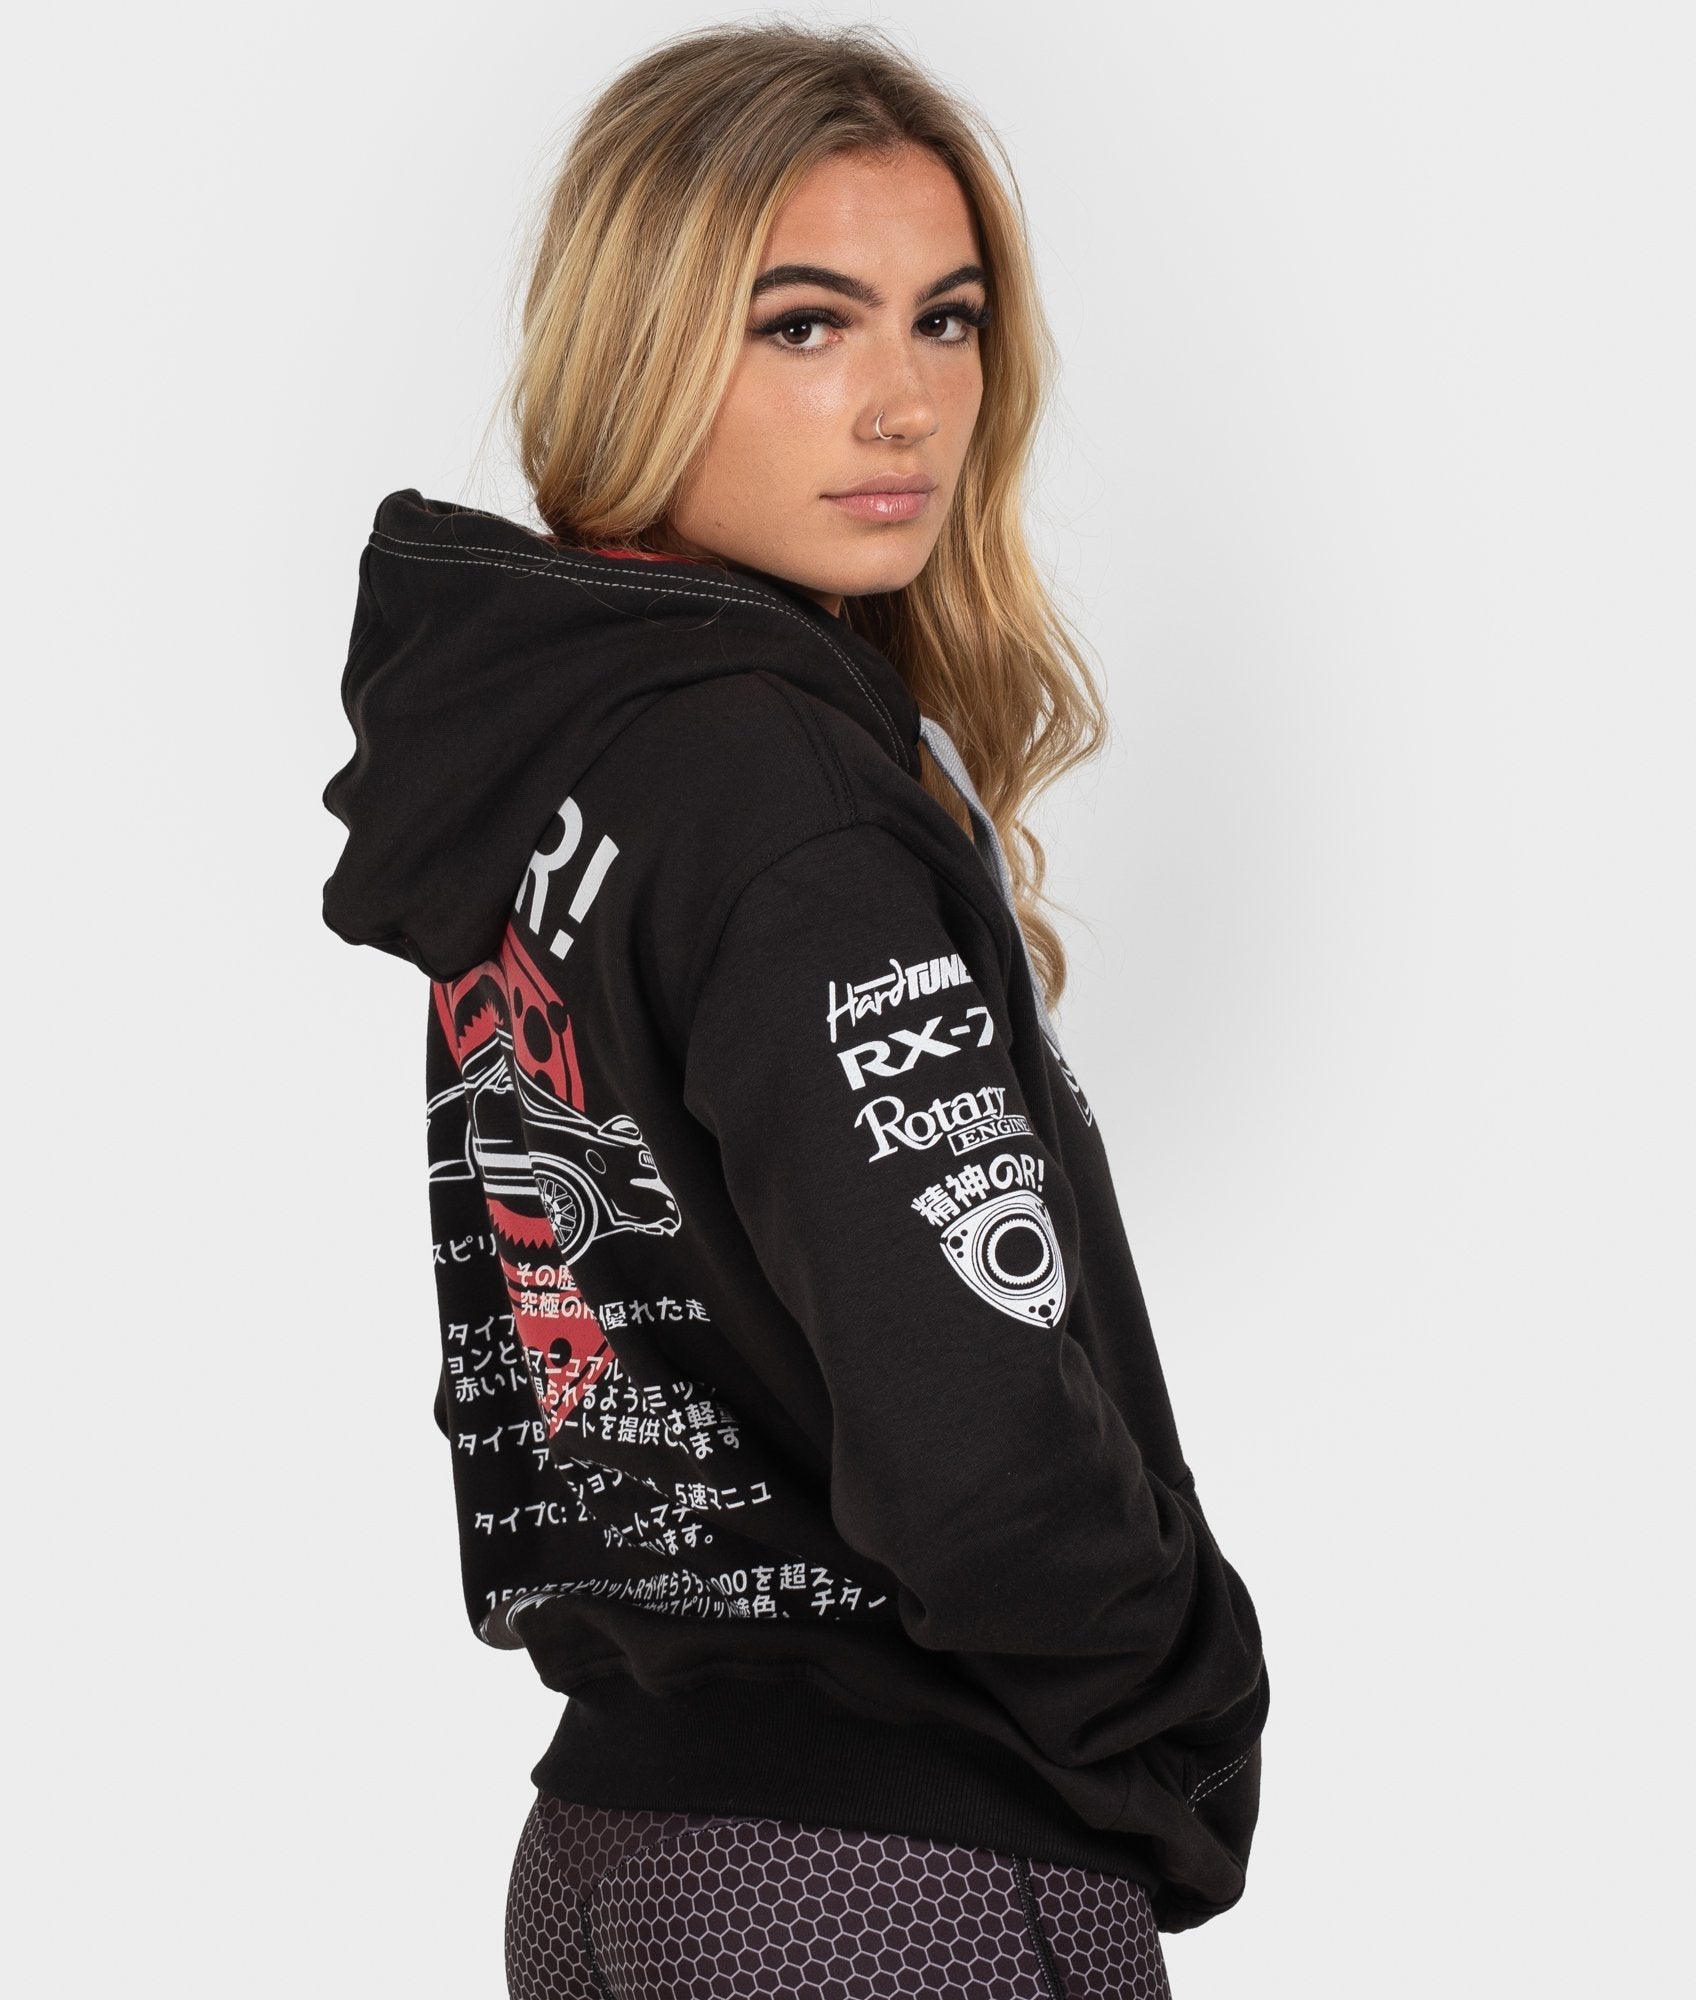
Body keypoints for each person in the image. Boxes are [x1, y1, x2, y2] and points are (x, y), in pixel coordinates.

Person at [321, 21, 1269, 1998]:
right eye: (805, 325)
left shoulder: (561, 761)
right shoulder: (781, 799)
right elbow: (970, 1433)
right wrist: (1181, 1705)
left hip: (610, 1857)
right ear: (645, 343)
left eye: (947, 320)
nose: (904, 403)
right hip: (890, 1879)